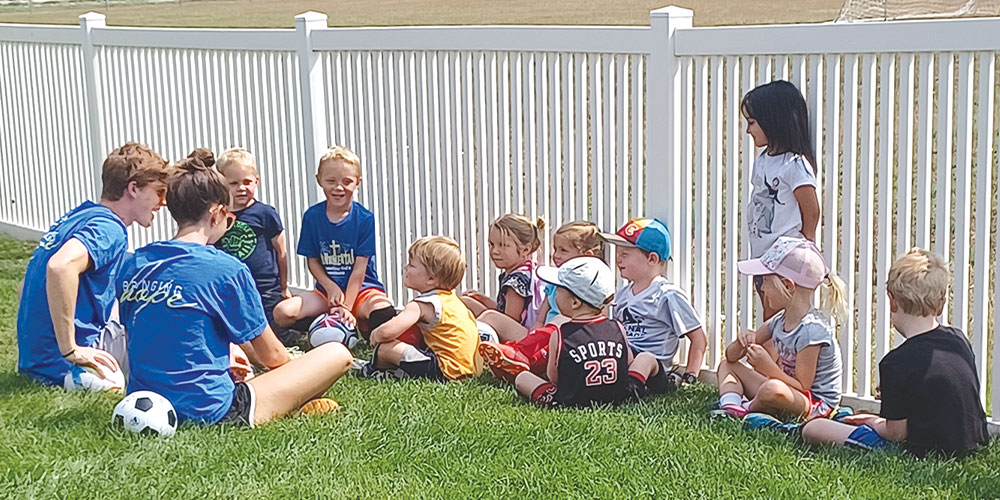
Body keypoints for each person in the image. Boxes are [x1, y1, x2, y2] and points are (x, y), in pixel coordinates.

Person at [120, 158, 351, 426]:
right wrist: (298, 375)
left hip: (146, 398)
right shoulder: (225, 268)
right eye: (229, 219)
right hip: (211, 409)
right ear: (217, 213)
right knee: (337, 353)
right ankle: (295, 403)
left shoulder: (135, 263)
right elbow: (272, 356)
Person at [801, 249, 989, 457]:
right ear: (941, 306)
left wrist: (872, 421)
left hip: (926, 451)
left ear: (892, 301)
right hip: (973, 443)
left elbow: (896, 434)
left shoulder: (896, 363)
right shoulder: (958, 340)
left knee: (814, 428)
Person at [16, 142, 170, 391]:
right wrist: (70, 349)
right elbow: (59, 267)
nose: (162, 203)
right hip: (62, 364)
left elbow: (26, 286)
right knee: (169, 327)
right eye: (159, 192)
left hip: (36, 360)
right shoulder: (109, 228)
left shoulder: (79, 216)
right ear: (133, 188)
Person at [712, 236, 846, 422]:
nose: (762, 288)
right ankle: (731, 405)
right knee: (726, 365)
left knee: (772, 389)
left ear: (787, 285)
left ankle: (745, 411)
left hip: (814, 403)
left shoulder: (811, 332)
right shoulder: (779, 321)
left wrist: (767, 366)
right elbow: (731, 357)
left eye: (765, 281)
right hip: (786, 388)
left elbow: (803, 386)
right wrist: (741, 342)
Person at [273, 146, 400, 340]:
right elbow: (312, 260)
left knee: (383, 311)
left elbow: (359, 270)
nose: (338, 188)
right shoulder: (312, 216)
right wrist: (330, 286)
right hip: (326, 292)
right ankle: (323, 323)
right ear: (319, 180)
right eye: (330, 181)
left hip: (362, 290)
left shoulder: (364, 219)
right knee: (282, 312)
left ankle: (360, 324)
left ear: (357, 183)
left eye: (347, 181)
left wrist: (346, 307)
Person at [511, 256, 659, 407]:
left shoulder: (560, 334)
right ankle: (657, 386)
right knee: (646, 357)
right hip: (619, 396)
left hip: (571, 399)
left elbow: (554, 378)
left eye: (558, 291)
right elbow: (627, 364)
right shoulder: (617, 327)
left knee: (522, 378)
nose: (554, 295)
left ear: (575, 302)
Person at [478, 221, 605, 379]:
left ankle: (516, 356)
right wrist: (536, 330)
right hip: (539, 340)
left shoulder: (596, 290)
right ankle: (512, 357)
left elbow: (599, 322)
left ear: (587, 257)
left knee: (559, 320)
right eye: (555, 249)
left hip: (566, 343)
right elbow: (541, 317)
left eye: (563, 250)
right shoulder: (554, 280)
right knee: (488, 315)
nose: (555, 255)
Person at [743, 80, 821, 320]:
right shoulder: (763, 159)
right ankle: (772, 358)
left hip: (785, 259)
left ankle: (775, 358)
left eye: (752, 123)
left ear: (773, 121)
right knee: (769, 316)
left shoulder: (794, 166)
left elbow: (812, 209)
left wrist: (804, 242)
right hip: (762, 255)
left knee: (779, 318)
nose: (748, 130)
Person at [605, 218, 708, 392]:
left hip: (653, 368)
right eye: (617, 254)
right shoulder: (622, 294)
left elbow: (698, 339)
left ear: (652, 259)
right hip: (626, 356)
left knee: (645, 359)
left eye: (625, 254)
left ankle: (632, 389)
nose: (618, 260)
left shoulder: (667, 295)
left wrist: (690, 375)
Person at [357, 236, 480, 381]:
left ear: (431, 279)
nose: (405, 268)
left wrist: (375, 335)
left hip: (445, 370)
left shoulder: (423, 304)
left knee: (386, 348)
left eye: (411, 265)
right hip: (470, 369)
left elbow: (387, 332)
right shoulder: (453, 301)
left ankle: (373, 371)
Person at [211, 147, 295, 345]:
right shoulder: (218, 216)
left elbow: (281, 251)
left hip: (265, 286)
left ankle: (288, 339)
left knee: (274, 331)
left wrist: (284, 287)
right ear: (222, 184)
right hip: (233, 285)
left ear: (256, 181)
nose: (241, 188)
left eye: (247, 182)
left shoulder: (265, 213)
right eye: (234, 183)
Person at [461, 214, 545, 341]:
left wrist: (487, 309)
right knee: (466, 302)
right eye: (491, 245)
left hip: (526, 339)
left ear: (525, 249)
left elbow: (510, 319)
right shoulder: (527, 270)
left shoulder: (516, 280)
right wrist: (483, 300)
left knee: (489, 316)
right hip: (522, 330)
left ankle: (467, 341)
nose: (495, 251)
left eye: (503, 245)